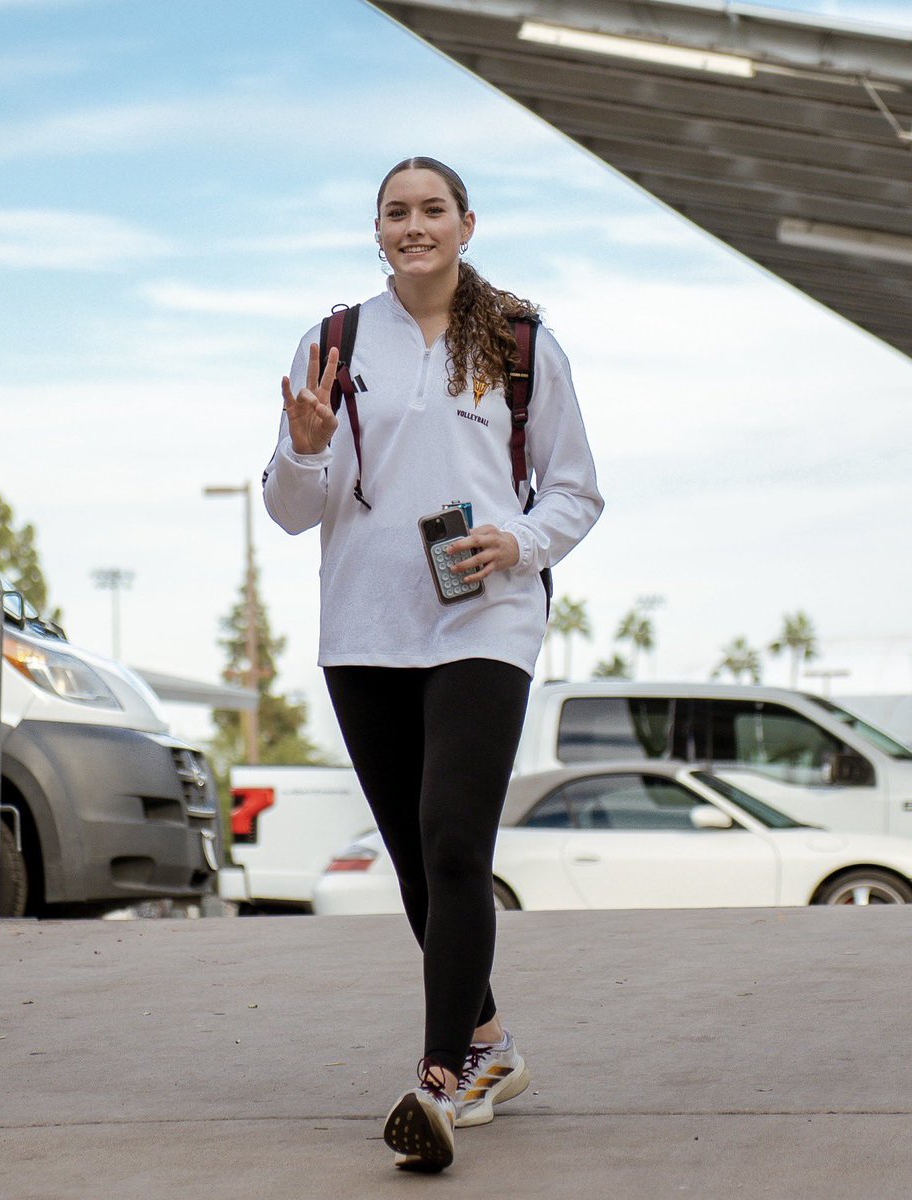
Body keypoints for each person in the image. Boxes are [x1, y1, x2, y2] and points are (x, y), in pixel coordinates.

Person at [263, 156, 604, 1173]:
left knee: (455, 843)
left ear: (466, 223)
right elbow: (289, 511)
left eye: (432, 211)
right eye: (395, 213)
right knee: (418, 863)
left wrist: (520, 544)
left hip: (485, 623)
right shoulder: (333, 341)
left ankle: (441, 1079)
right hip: (364, 627)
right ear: (377, 231)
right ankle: (492, 1044)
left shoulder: (519, 343)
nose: (414, 227)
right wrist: (308, 448)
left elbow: (576, 493)